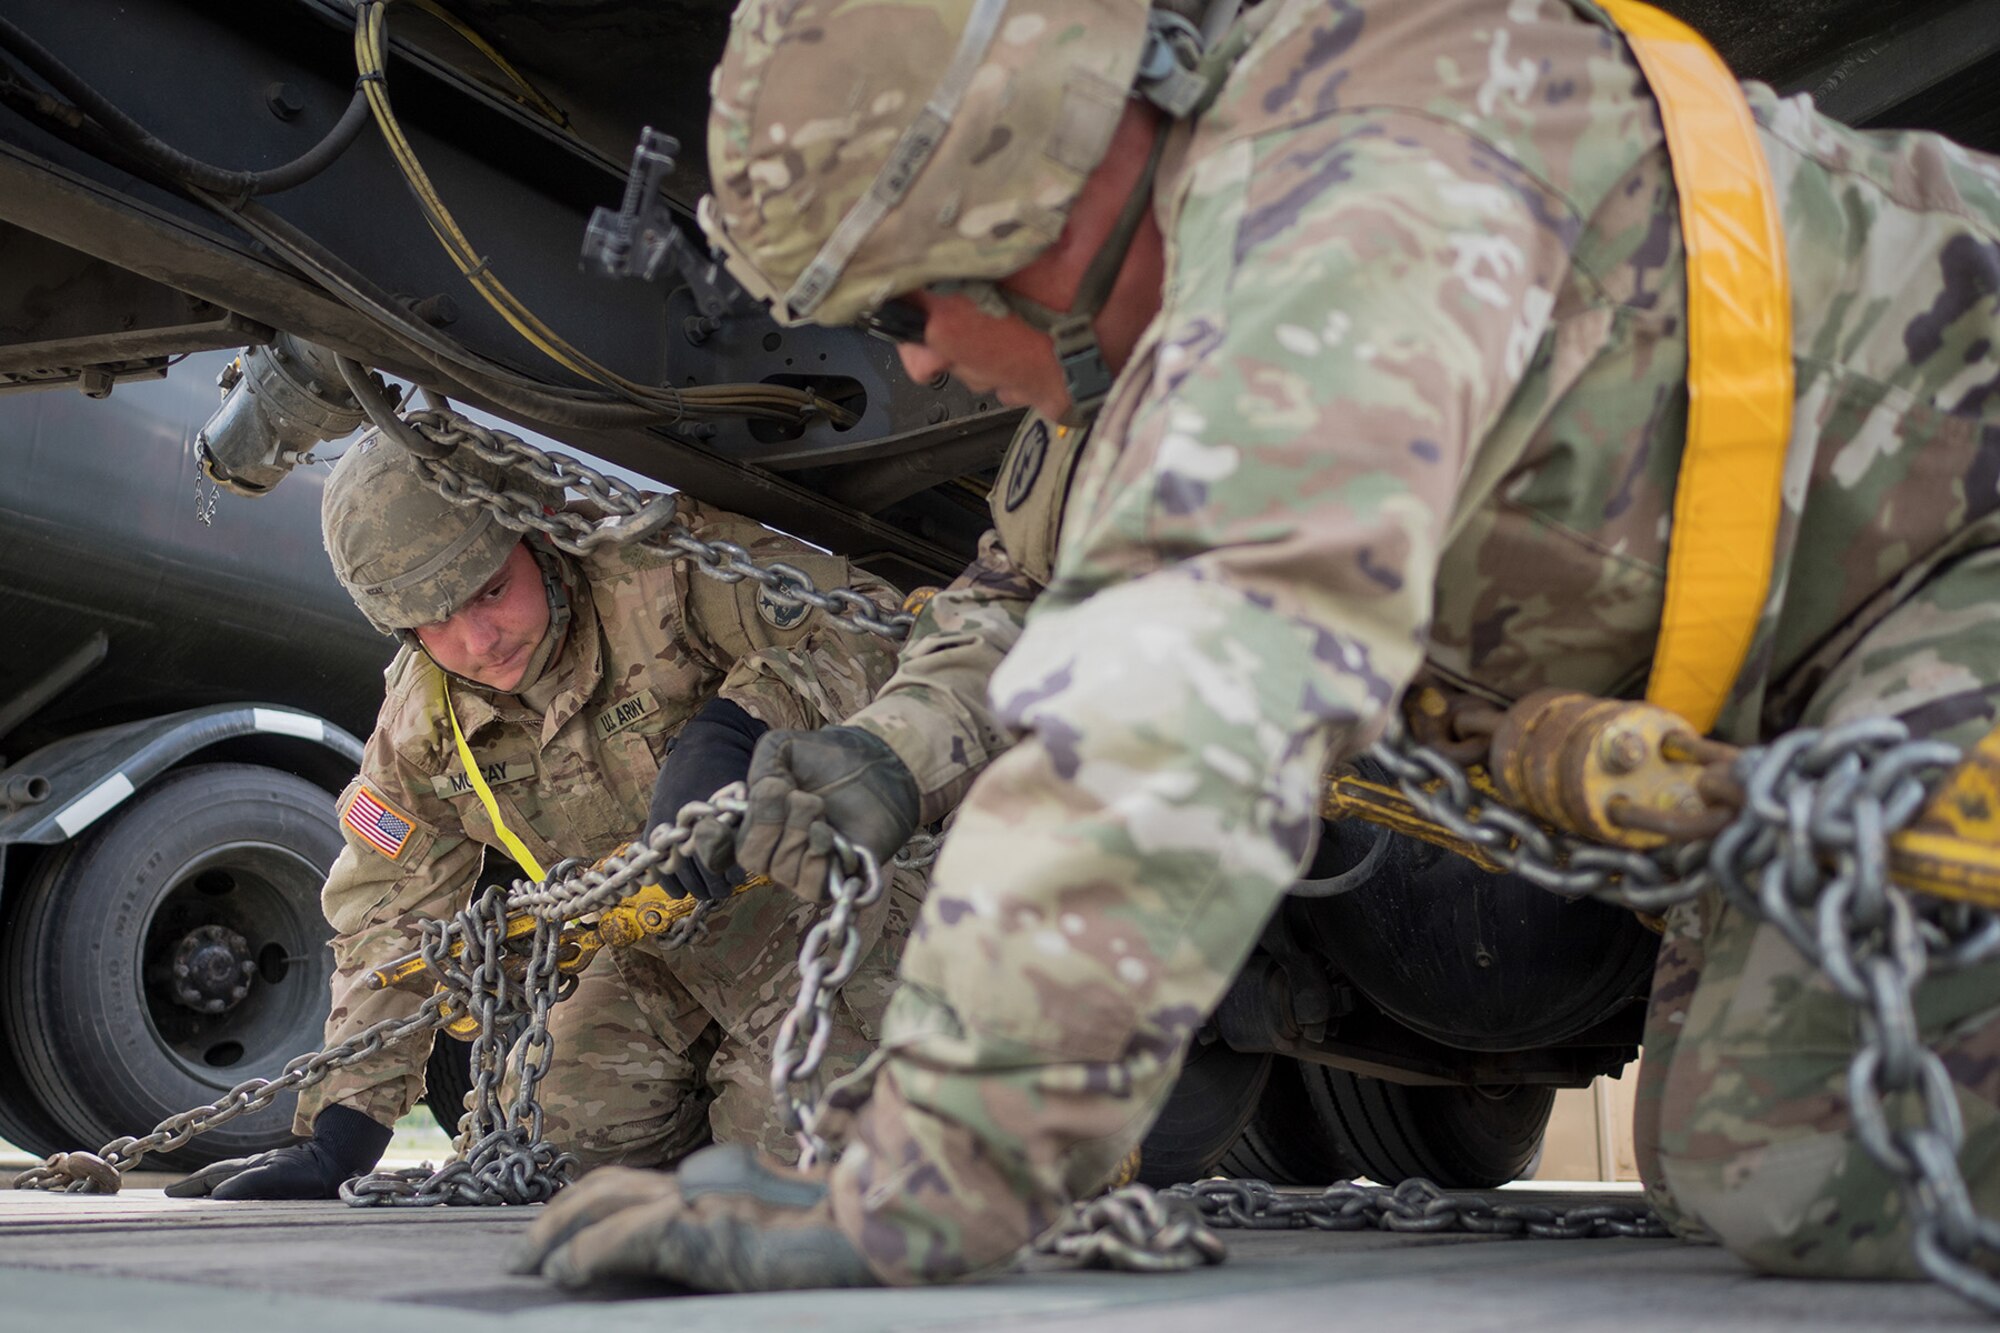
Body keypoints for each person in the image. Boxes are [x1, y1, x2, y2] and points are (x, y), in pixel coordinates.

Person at [512, 0, 2000, 1292]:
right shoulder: (1184, 307)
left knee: (1806, 1153)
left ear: (1028, 199)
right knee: (1757, 1143)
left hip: (1957, 547)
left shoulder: (1357, 196)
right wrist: (890, 751)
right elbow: (1036, 596)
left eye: (907, 301)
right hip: (1836, 657)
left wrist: (923, 1190)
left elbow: (1179, 688)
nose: (912, 359)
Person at [167, 429, 918, 1200]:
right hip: (652, 957)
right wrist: (342, 1132)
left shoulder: (663, 570)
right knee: (538, 1147)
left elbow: (879, 628)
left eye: (491, 590)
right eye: (434, 619)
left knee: (802, 1164)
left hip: (828, 913)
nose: (478, 640)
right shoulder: (424, 725)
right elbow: (384, 916)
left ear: (535, 531)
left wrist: (742, 727)